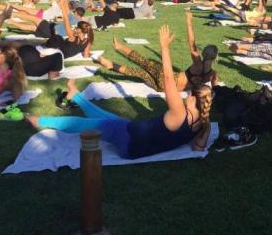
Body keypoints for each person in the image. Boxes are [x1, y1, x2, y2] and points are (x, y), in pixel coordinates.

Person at [26, 26, 213, 158]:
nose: (187, 95)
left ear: (193, 98)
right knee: (110, 119)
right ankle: (76, 95)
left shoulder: (180, 113)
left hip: (129, 142)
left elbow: (168, 79)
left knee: (89, 124)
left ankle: (41, 121)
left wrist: (164, 48)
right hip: (133, 136)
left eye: (190, 94)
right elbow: (198, 148)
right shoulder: (204, 123)